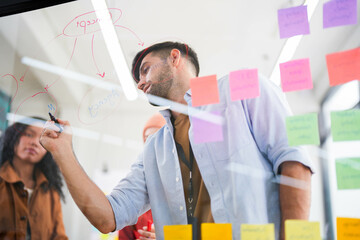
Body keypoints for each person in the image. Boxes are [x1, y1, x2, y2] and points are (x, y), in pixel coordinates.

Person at [40, 41, 313, 240]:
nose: (140, 83)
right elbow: (107, 217)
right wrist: (62, 152)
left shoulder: (240, 88)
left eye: (145, 70)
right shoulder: (154, 150)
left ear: (174, 58)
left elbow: (293, 161)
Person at [0, 117, 68, 240]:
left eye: (42, 138)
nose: (35, 142)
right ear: (14, 137)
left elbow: (59, 236)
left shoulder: (51, 190)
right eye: (29, 134)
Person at [118, 113, 165, 240]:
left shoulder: (184, 187)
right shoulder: (135, 194)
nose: (152, 144)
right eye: (147, 139)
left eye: (157, 137)